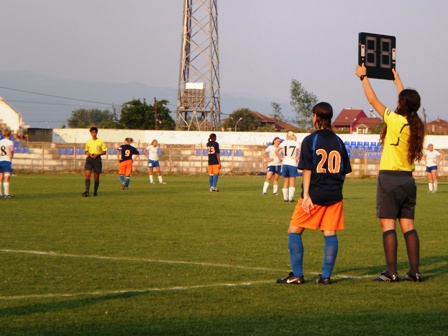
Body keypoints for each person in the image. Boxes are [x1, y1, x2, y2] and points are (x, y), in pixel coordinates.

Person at [356, 63, 425, 282]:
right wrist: (397, 81)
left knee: (388, 226)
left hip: (389, 179)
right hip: (408, 180)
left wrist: (363, 78)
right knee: (409, 227)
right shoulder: (416, 124)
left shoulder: (395, 120)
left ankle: (391, 272)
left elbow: (372, 101)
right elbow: (406, 103)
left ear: (402, 104)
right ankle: (414, 272)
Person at [276, 102, 352, 285]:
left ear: (316, 117)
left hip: (315, 194)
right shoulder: (339, 141)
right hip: (334, 195)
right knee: (330, 233)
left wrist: (307, 195)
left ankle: (297, 275)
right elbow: (344, 172)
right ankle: (325, 277)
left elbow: (307, 170)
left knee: (294, 230)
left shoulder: (311, 140)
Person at [82, 127, 107, 197]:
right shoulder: (88, 142)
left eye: (95, 132)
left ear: (96, 133)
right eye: (92, 132)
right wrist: (88, 153)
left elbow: (104, 152)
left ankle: (95, 191)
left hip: (97, 160)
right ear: (90, 133)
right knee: (87, 175)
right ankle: (87, 191)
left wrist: (97, 154)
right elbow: (86, 151)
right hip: (89, 159)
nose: (93, 134)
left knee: (96, 176)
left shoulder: (100, 142)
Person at [276, 131, 300, 202]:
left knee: (286, 181)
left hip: (285, 162)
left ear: (287, 136)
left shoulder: (284, 143)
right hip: (292, 162)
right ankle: (290, 198)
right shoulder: (295, 143)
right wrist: (297, 158)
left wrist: (280, 158)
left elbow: (276, 151)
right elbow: (301, 151)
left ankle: (285, 198)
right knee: (292, 181)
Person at [0, 128, 15, 198]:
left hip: (0, 160)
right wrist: (11, 155)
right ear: (9, 134)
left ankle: (0, 193)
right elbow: (12, 150)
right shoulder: (10, 142)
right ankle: (6, 193)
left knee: (0, 177)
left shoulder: (0, 142)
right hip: (6, 160)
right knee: (7, 176)